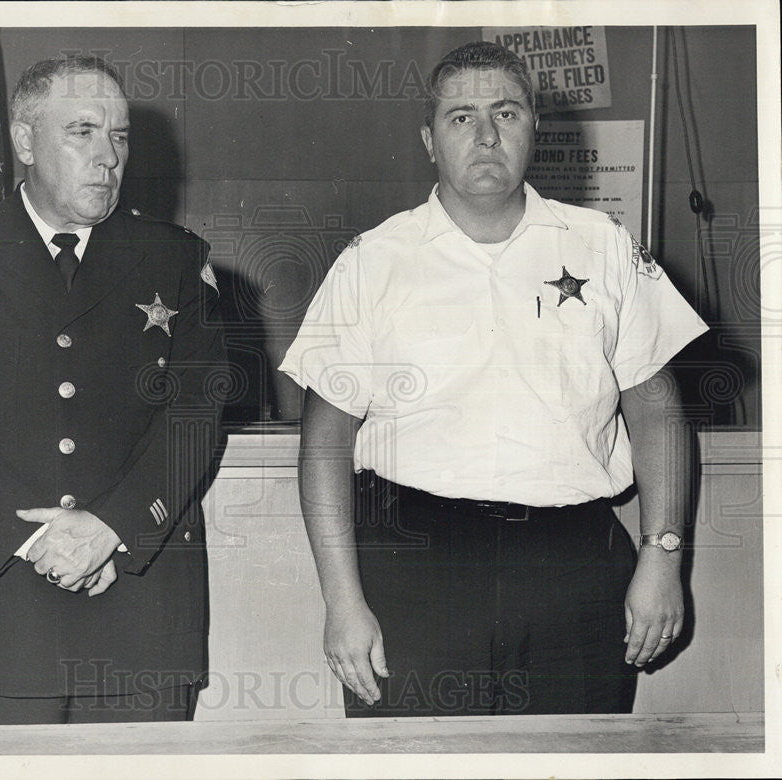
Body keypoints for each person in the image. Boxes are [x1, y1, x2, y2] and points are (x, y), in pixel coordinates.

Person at [279, 41, 707, 717]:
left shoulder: (603, 245)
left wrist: (664, 555)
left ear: (535, 126)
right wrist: (342, 600)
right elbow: (325, 442)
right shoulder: (373, 260)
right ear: (429, 139)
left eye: (506, 113)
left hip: (575, 562)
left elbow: (657, 413)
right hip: (415, 561)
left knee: (573, 764)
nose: (484, 135)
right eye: (460, 117)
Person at [0, 55, 227, 749]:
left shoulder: (175, 260)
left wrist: (113, 529)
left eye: (120, 137)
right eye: (83, 132)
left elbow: (197, 414)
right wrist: (36, 537)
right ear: (26, 142)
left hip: (139, 610)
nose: (107, 158)